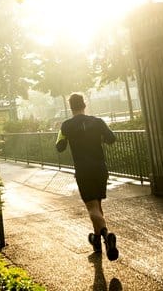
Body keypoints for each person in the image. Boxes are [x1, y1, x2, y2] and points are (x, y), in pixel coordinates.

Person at [55, 92, 118, 261]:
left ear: (70, 107)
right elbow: (112, 139)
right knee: (97, 206)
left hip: (83, 170)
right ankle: (96, 241)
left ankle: (107, 235)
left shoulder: (66, 126)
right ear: (84, 104)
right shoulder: (97, 122)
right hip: (100, 169)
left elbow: (59, 147)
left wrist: (65, 136)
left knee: (91, 207)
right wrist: (98, 138)